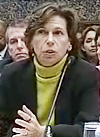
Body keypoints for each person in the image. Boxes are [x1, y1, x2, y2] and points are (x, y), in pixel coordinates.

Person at [0, 2, 99, 137]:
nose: (50, 40)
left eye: (58, 33)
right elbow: (4, 124)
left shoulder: (87, 74)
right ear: (31, 41)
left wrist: (45, 132)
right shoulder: (11, 74)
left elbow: (90, 129)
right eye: (42, 32)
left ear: (70, 43)